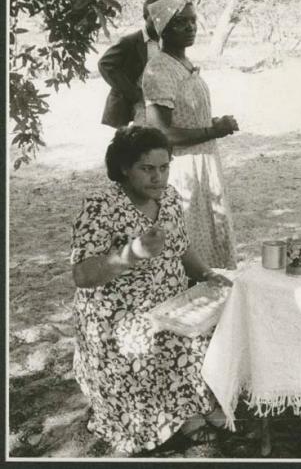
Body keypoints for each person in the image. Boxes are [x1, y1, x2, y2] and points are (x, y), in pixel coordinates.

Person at [71, 126, 232, 455]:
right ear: (124, 168)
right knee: (167, 338)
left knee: (222, 317)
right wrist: (134, 253)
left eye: (163, 167)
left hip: (171, 300)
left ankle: (196, 404)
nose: (157, 177)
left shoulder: (169, 196)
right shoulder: (100, 207)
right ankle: (182, 416)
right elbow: (83, 274)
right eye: (147, 169)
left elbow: (182, 247)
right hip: (116, 314)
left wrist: (205, 274)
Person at [141, 0, 238, 269]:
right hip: (183, 168)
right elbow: (162, 134)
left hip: (204, 162)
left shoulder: (182, 64)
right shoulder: (159, 69)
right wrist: (212, 130)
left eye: (193, 21)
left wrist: (213, 124)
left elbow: (188, 117)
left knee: (211, 231)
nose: (190, 27)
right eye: (180, 22)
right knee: (189, 239)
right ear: (163, 28)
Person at [98, 0, 170, 128]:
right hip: (136, 103)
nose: (158, 23)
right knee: (138, 140)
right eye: (153, 19)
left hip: (160, 99)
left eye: (162, 18)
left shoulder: (166, 41)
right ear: (145, 17)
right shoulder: (130, 41)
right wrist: (134, 93)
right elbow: (105, 64)